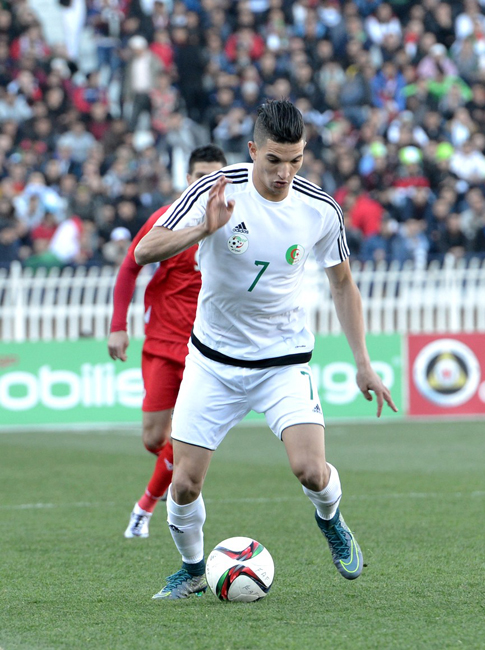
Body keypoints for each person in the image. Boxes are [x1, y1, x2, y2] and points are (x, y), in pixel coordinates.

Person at [135, 100, 396, 600]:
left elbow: (343, 285)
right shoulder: (216, 190)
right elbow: (144, 251)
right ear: (253, 150)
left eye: (296, 160)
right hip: (213, 362)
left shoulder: (320, 209)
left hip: (283, 362)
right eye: (274, 160)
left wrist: (363, 363)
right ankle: (192, 568)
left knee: (311, 471)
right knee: (184, 483)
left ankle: (332, 521)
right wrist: (202, 231)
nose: (285, 172)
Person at [109, 145, 228, 539]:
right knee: (154, 438)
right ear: (189, 179)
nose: (208, 185)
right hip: (161, 342)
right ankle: (172, 471)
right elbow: (130, 266)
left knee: (183, 440)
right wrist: (118, 324)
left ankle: (144, 508)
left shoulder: (239, 223)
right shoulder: (167, 220)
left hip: (206, 350)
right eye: (200, 177)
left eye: (216, 177)